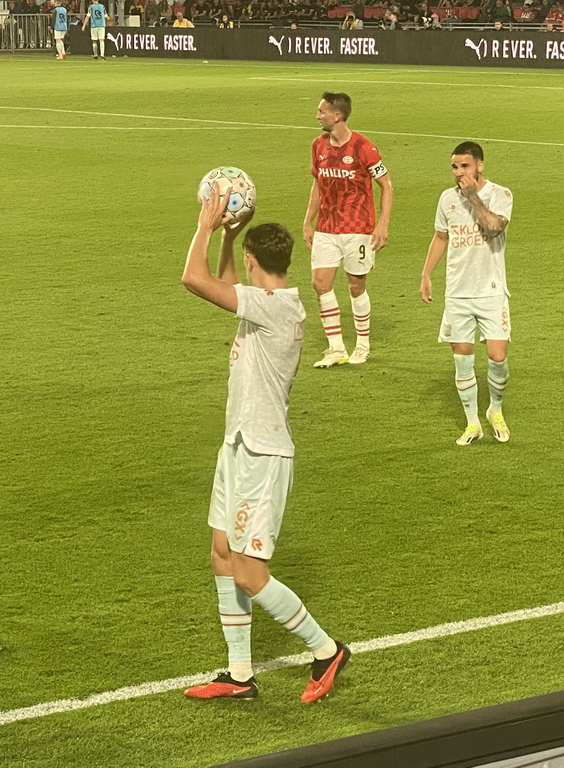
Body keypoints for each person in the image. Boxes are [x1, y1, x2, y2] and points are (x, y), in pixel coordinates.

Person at [180, 187, 351, 703]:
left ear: (257, 262)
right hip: (237, 446)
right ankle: (239, 674)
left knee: (251, 573)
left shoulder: (278, 308)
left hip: (263, 455)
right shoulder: (270, 302)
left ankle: (325, 650)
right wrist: (232, 238)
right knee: (220, 553)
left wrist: (208, 226)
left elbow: (195, 279)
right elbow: (229, 286)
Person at [419, 142, 513, 446]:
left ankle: (494, 410)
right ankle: (472, 422)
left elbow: (494, 228)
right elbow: (440, 236)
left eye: (465, 166)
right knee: (462, 360)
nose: (459, 172)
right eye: (455, 167)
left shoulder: (501, 195)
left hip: (491, 291)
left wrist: (473, 196)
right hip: (458, 293)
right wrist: (426, 274)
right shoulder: (446, 198)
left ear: (479, 166)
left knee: (498, 357)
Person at [303, 91, 393, 368]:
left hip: (358, 228)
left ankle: (362, 346)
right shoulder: (318, 145)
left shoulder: (364, 147)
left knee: (356, 286)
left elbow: (386, 185)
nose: (318, 116)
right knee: (320, 283)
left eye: (322, 111)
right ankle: (336, 348)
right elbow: (318, 183)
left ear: (337, 115)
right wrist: (308, 221)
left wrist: (382, 224)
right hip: (327, 228)